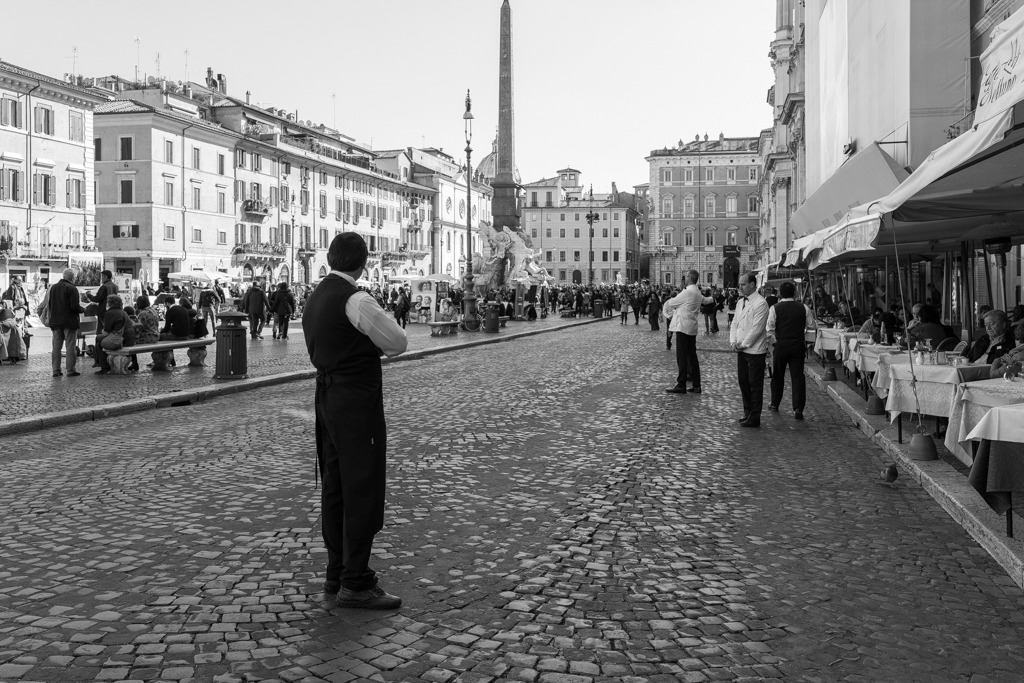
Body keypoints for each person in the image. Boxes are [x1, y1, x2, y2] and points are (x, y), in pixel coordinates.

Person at [302, 233, 407, 610]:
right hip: (356, 402)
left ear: (330, 258)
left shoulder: (315, 296)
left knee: (335, 486)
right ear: (363, 263)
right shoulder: (357, 299)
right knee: (362, 485)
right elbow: (397, 342)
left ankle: (337, 572)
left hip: (326, 399)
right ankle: (356, 581)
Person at [767, 281, 815, 420]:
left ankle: (775, 403)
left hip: (781, 345)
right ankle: (798, 408)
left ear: (780, 293)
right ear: (794, 293)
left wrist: (774, 342)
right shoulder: (803, 307)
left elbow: (769, 328)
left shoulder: (774, 308)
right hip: (798, 345)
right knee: (798, 376)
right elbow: (811, 325)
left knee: (777, 375)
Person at [730, 272, 770, 428]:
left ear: (752, 284)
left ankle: (755, 416)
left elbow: (757, 328)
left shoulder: (761, 303)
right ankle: (747, 411)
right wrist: (733, 341)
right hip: (741, 349)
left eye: (743, 284)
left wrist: (743, 344)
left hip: (755, 351)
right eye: (740, 284)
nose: (740, 287)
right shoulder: (741, 302)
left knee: (754, 384)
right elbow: (735, 323)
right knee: (743, 382)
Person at [664, 270, 713, 395]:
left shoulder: (687, 292)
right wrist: (713, 297)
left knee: (682, 357)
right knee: (692, 357)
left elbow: (671, 303)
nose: (684, 278)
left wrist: (669, 306)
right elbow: (706, 300)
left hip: (683, 327)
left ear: (690, 278)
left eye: (686, 277)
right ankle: (697, 385)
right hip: (692, 328)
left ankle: (681, 384)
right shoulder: (697, 292)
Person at [44, 268, 84, 377]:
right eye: (75, 277)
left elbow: (50, 305)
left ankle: (56, 370)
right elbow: (74, 307)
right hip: (69, 322)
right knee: (70, 346)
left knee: (56, 347)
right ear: (72, 277)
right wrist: (83, 309)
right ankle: (70, 370)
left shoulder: (53, 288)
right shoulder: (72, 288)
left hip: (56, 321)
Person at [94, 295, 134, 375]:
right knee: (100, 341)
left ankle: (104, 366)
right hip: (129, 340)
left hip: (119, 340)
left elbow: (106, 332)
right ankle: (101, 363)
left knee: (98, 340)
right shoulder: (123, 312)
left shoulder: (110, 313)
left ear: (110, 303)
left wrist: (103, 331)